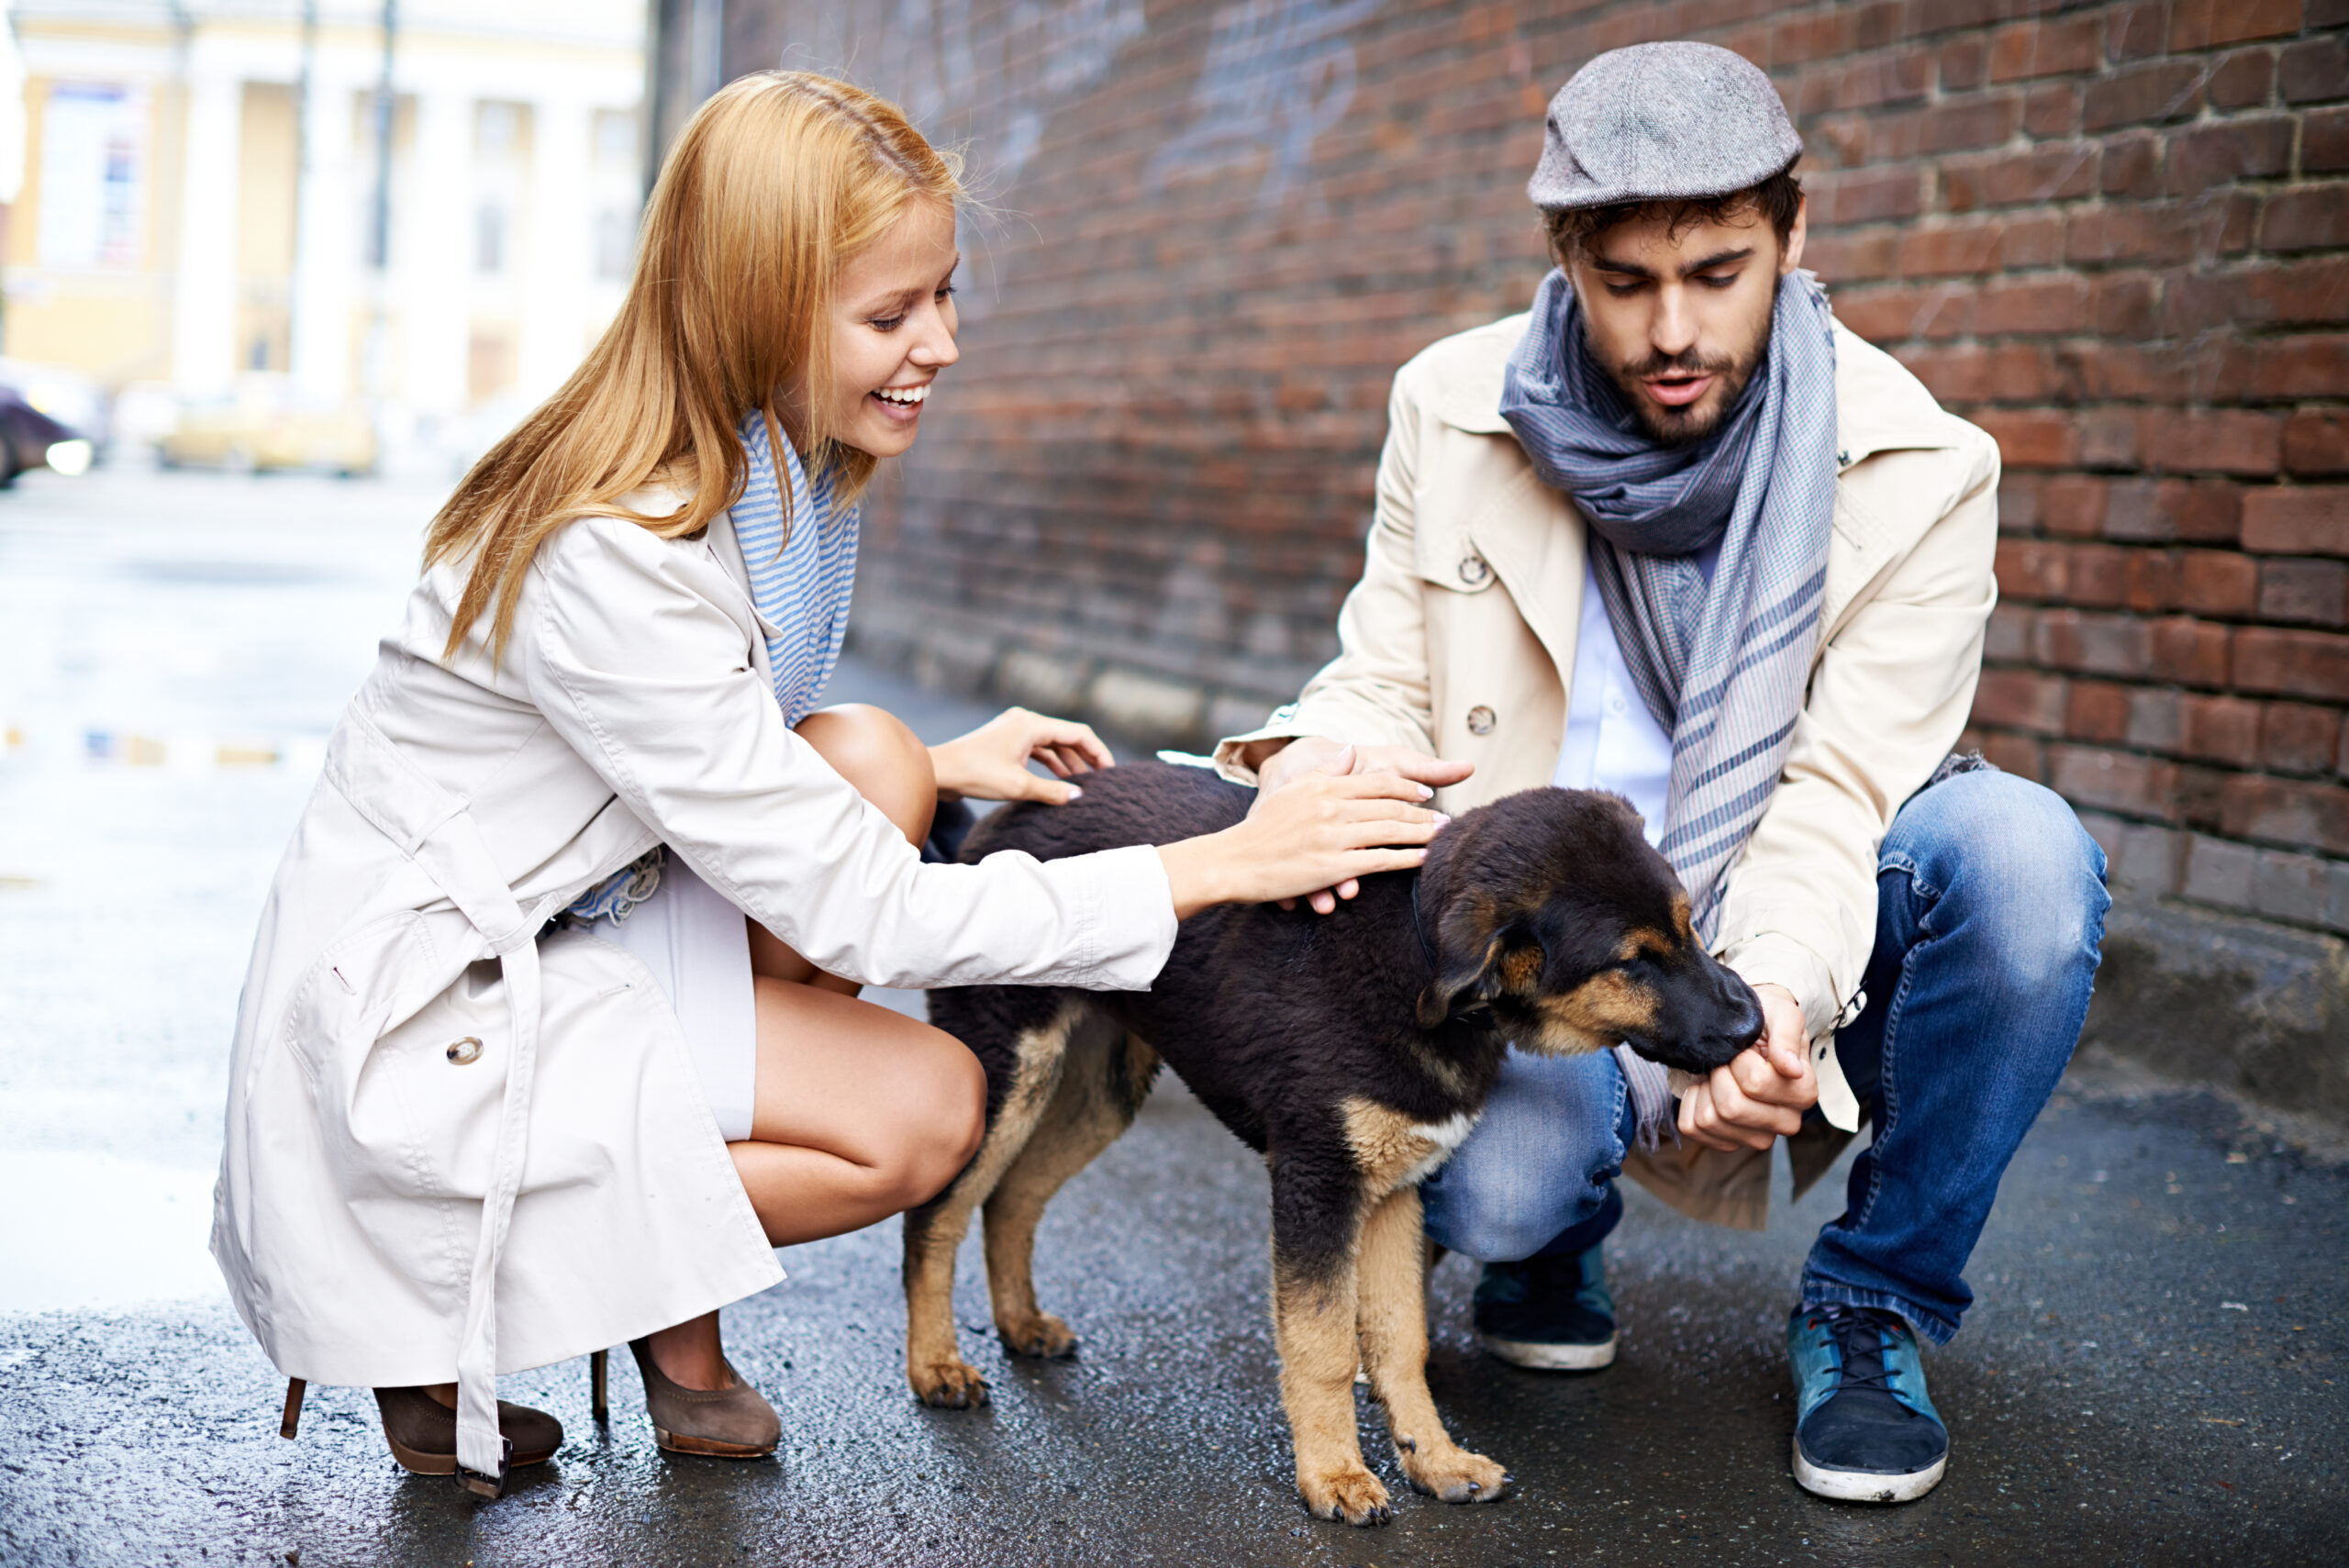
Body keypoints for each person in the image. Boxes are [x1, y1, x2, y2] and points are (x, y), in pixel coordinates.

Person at [211, 71, 1440, 1496]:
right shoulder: (614, 550)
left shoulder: (760, 461)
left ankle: (670, 1313)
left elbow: (739, 749)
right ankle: (424, 1293)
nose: (944, 344)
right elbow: (867, 917)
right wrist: (1211, 863)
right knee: (926, 1111)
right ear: (756, 308)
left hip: (567, 928)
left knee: (873, 755)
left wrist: (940, 759)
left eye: (945, 296)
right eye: (892, 315)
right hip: (427, 1026)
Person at [1213, 42, 2107, 1504]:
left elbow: (1840, 794)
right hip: (1554, 933)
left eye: (1719, 270)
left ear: (1793, 236)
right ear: (1565, 259)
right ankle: (1548, 1242)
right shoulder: (1455, 404)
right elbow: (1383, 674)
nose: (1673, 328)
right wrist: (1311, 765)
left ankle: (1874, 1303)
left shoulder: (1921, 464)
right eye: (1625, 283)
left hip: (1775, 900)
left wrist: (1776, 998)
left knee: (2023, 859)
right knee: (1502, 1195)